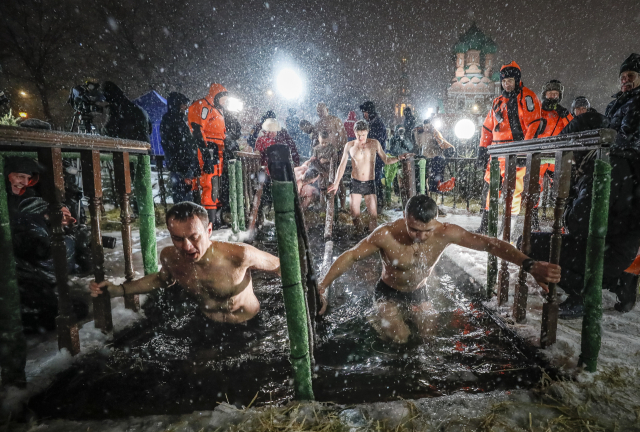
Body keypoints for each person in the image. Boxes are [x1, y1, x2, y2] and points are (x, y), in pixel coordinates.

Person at [318, 195, 560, 342]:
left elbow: (489, 244)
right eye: (414, 230)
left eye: (427, 230)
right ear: (405, 218)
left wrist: (529, 264)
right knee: (401, 338)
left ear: (435, 221)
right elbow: (350, 256)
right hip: (388, 292)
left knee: (428, 337)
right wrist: (322, 286)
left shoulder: (446, 232)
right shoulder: (386, 234)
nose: (421, 237)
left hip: (419, 291)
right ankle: (378, 316)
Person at [527, 54, 640, 318]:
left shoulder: (609, 167)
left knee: (531, 243)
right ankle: (617, 280)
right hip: (620, 247)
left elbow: (578, 223)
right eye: (623, 76)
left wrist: (573, 190)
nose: (625, 80)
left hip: (609, 249)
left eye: (631, 76)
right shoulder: (615, 161)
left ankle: (583, 292)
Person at [90, 202, 281, 324]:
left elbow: (281, 266)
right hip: (207, 324)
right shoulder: (170, 257)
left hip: (249, 325)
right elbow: (161, 280)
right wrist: (119, 290)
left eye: (193, 237)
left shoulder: (239, 254)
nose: (187, 246)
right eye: (178, 238)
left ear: (209, 231)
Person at [476, 62, 542, 234]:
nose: (507, 84)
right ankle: (486, 227)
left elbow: (534, 124)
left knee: (515, 191)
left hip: (515, 152)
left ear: (517, 80)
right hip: (497, 154)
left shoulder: (527, 97)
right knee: (491, 189)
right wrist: (482, 149)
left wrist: (524, 151)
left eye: (510, 80)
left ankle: (507, 231)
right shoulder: (497, 101)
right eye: (504, 81)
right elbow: (487, 128)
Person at [328, 120, 410, 234]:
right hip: (355, 182)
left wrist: (399, 157)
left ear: (367, 132)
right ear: (354, 132)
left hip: (369, 183)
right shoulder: (349, 145)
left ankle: (372, 238)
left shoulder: (374, 143)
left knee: (373, 215)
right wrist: (336, 182)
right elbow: (341, 166)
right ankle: (360, 234)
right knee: (354, 214)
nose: (361, 137)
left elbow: (386, 160)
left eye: (363, 135)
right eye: (358, 135)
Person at [188, 83, 228, 227]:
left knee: (216, 183)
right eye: (222, 98)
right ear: (216, 96)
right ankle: (209, 221)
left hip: (217, 150)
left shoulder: (218, 110)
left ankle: (215, 219)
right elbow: (198, 129)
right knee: (209, 183)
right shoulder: (203, 106)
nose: (224, 102)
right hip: (208, 149)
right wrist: (205, 154)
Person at [160, 92, 200, 204]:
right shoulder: (173, 121)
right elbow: (180, 145)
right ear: (177, 104)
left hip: (182, 164)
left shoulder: (177, 120)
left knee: (183, 194)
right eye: (183, 104)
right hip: (181, 165)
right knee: (184, 196)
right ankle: (184, 218)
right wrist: (185, 166)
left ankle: (183, 216)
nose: (186, 107)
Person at [359, 101, 388, 208]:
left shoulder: (378, 124)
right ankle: (373, 202)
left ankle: (378, 202)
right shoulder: (370, 123)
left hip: (376, 158)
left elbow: (377, 141)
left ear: (370, 112)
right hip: (370, 157)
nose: (364, 115)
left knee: (375, 180)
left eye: (365, 112)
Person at [4, 156, 42, 223]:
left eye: (29, 178)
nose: (26, 183)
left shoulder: (30, 199)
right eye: (20, 176)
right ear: (6, 175)